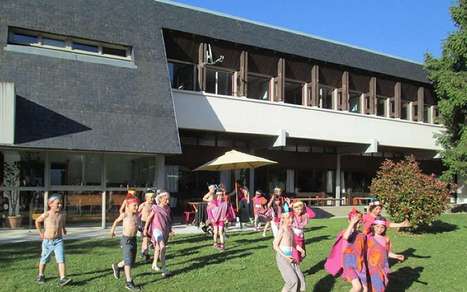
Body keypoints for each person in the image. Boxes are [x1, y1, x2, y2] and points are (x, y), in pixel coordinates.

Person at [35, 194, 72, 286]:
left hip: (58, 241)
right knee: (44, 259)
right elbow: (37, 221)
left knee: (61, 259)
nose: (60, 205)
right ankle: (41, 275)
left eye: (61, 203)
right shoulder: (46, 214)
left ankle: (63, 278)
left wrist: (63, 229)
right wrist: (40, 233)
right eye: (58, 203)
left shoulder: (62, 214)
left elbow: (62, 222)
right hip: (47, 241)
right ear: (50, 204)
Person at [366, 216, 404, 292]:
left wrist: (396, 256)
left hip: (383, 267)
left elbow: (387, 252)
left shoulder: (386, 239)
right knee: (377, 287)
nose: (379, 229)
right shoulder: (368, 238)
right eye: (377, 226)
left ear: (385, 228)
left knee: (382, 285)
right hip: (372, 268)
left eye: (382, 227)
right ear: (373, 226)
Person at [111, 197, 140, 291]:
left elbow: (136, 225)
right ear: (128, 206)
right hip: (126, 240)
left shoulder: (136, 215)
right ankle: (129, 282)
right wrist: (112, 231)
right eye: (134, 205)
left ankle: (118, 266)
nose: (137, 207)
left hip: (134, 240)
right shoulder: (125, 215)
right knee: (128, 262)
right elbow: (116, 221)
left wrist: (143, 230)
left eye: (137, 205)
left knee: (131, 261)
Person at [273, 212, 306, 292]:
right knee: (292, 281)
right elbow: (275, 245)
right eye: (289, 218)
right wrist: (285, 256)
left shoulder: (290, 229)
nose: (291, 220)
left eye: (292, 218)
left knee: (300, 279)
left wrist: (301, 249)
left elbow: (293, 244)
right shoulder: (282, 230)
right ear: (283, 219)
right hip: (283, 258)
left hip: (291, 257)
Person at [144, 191, 173, 277]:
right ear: (160, 199)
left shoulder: (168, 208)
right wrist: (145, 228)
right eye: (166, 199)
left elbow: (168, 220)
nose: (167, 201)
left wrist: (170, 230)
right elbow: (149, 218)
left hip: (165, 230)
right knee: (162, 247)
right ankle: (164, 269)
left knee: (158, 248)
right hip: (157, 230)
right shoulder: (155, 208)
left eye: (168, 199)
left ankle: (154, 264)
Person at [341, 208, 368, 292]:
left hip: (360, 264)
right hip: (350, 264)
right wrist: (352, 223)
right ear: (349, 221)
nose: (357, 225)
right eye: (356, 222)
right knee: (357, 287)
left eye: (359, 222)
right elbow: (345, 237)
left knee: (365, 288)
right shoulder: (347, 232)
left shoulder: (362, 234)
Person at [138, 191, 155, 262]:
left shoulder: (154, 205)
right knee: (145, 239)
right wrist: (137, 224)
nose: (152, 199)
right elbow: (137, 214)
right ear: (146, 198)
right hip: (144, 223)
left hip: (151, 223)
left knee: (147, 240)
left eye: (153, 197)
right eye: (150, 197)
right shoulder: (143, 205)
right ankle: (145, 254)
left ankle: (144, 253)